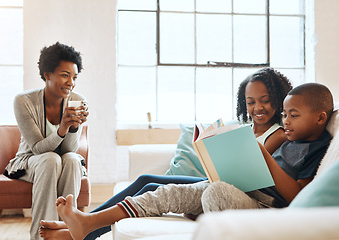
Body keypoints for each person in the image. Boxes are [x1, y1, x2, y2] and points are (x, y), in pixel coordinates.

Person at [46, 82, 334, 240]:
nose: (286, 120)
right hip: (244, 190)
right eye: (285, 114)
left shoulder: (315, 148)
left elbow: (296, 197)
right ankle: (88, 222)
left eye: (293, 115)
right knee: (164, 192)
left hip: (265, 206)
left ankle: (200, 211)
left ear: (321, 118)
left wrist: (263, 157)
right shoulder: (287, 139)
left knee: (215, 192)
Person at [3, 42, 89, 240]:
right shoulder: (23, 101)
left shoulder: (77, 99)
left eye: (74, 77)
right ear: (47, 74)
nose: (71, 83)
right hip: (32, 159)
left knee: (73, 160)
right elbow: (38, 148)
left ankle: (68, 232)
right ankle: (40, 236)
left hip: (61, 160)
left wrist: (74, 127)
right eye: (65, 75)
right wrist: (62, 128)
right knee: (51, 159)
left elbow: (69, 149)